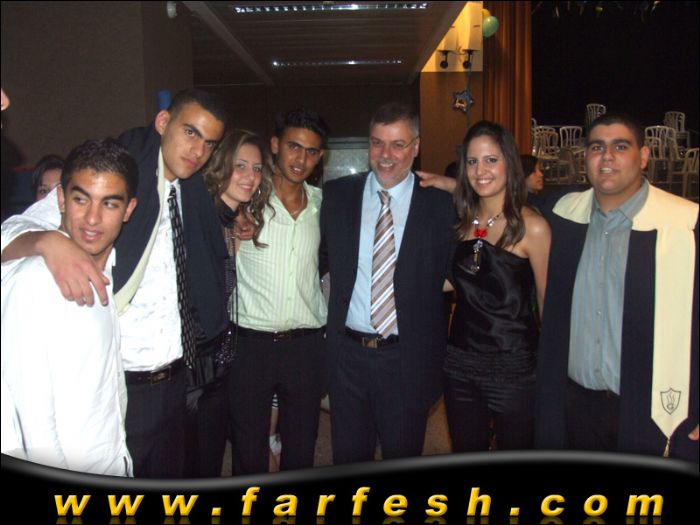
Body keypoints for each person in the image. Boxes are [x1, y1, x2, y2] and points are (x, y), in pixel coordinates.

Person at [1, 89, 228, 477]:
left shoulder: (190, 192)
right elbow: (13, 230)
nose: (198, 151)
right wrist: (47, 240)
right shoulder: (120, 175)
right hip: (123, 386)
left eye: (209, 143)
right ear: (163, 122)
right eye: (190, 132)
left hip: (175, 380)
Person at [535, 112, 699, 461]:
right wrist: (449, 187)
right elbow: (501, 206)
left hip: (650, 407)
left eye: (620, 146)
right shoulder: (562, 215)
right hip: (574, 405)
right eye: (597, 147)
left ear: (644, 156)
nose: (607, 156)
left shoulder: (685, 226)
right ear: (585, 158)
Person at [320, 102, 456, 464]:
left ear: (416, 146)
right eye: (377, 143)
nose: (386, 155)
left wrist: (459, 186)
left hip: (407, 358)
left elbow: (463, 266)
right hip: (348, 357)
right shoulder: (337, 196)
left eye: (398, 144)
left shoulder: (442, 204)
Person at [1, 139, 137, 475]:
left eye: (109, 203)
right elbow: (32, 420)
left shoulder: (101, 270)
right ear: (61, 199)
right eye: (81, 199)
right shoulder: (35, 280)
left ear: (128, 210)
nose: (92, 218)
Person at [228, 108, 328, 474]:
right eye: (293, 147)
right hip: (249, 344)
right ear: (275, 145)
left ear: (320, 156)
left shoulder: (323, 205)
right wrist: (231, 220)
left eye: (312, 151)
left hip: (305, 346)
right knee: (248, 447)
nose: (301, 159)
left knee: (302, 444)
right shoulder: (243, 199)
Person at [444, 121, 551, 452]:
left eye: (491, 160)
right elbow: (450, 281)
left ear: (509, 163)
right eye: (472, 161)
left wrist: (552, 376)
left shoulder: (532, 227)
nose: (480, 171)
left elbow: (549, 308)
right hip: (460, 365)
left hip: (514, 368)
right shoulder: (461, 222)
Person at [194, 128, 272, 477]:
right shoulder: (202, 216)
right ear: (220, 165)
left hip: (220, 360)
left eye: (256, 169)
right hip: (193, 365)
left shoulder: (229, 220)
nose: (250, 177)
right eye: (240, 166)